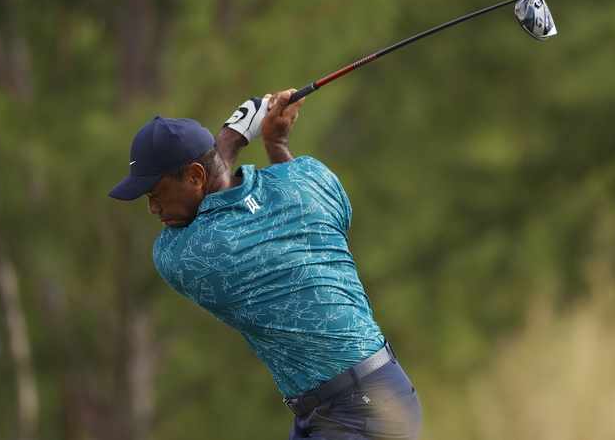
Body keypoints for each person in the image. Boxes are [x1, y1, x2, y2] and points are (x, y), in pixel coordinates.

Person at [108, 89, 422, 439]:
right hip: (359, 398)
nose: (153, 209)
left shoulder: (188, 256)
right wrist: (273, 141)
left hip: (362, 409)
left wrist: (233, 135)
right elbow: (287, 194)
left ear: (196, 176)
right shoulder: (309, 179)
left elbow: (222, 210)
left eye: (156, 194)